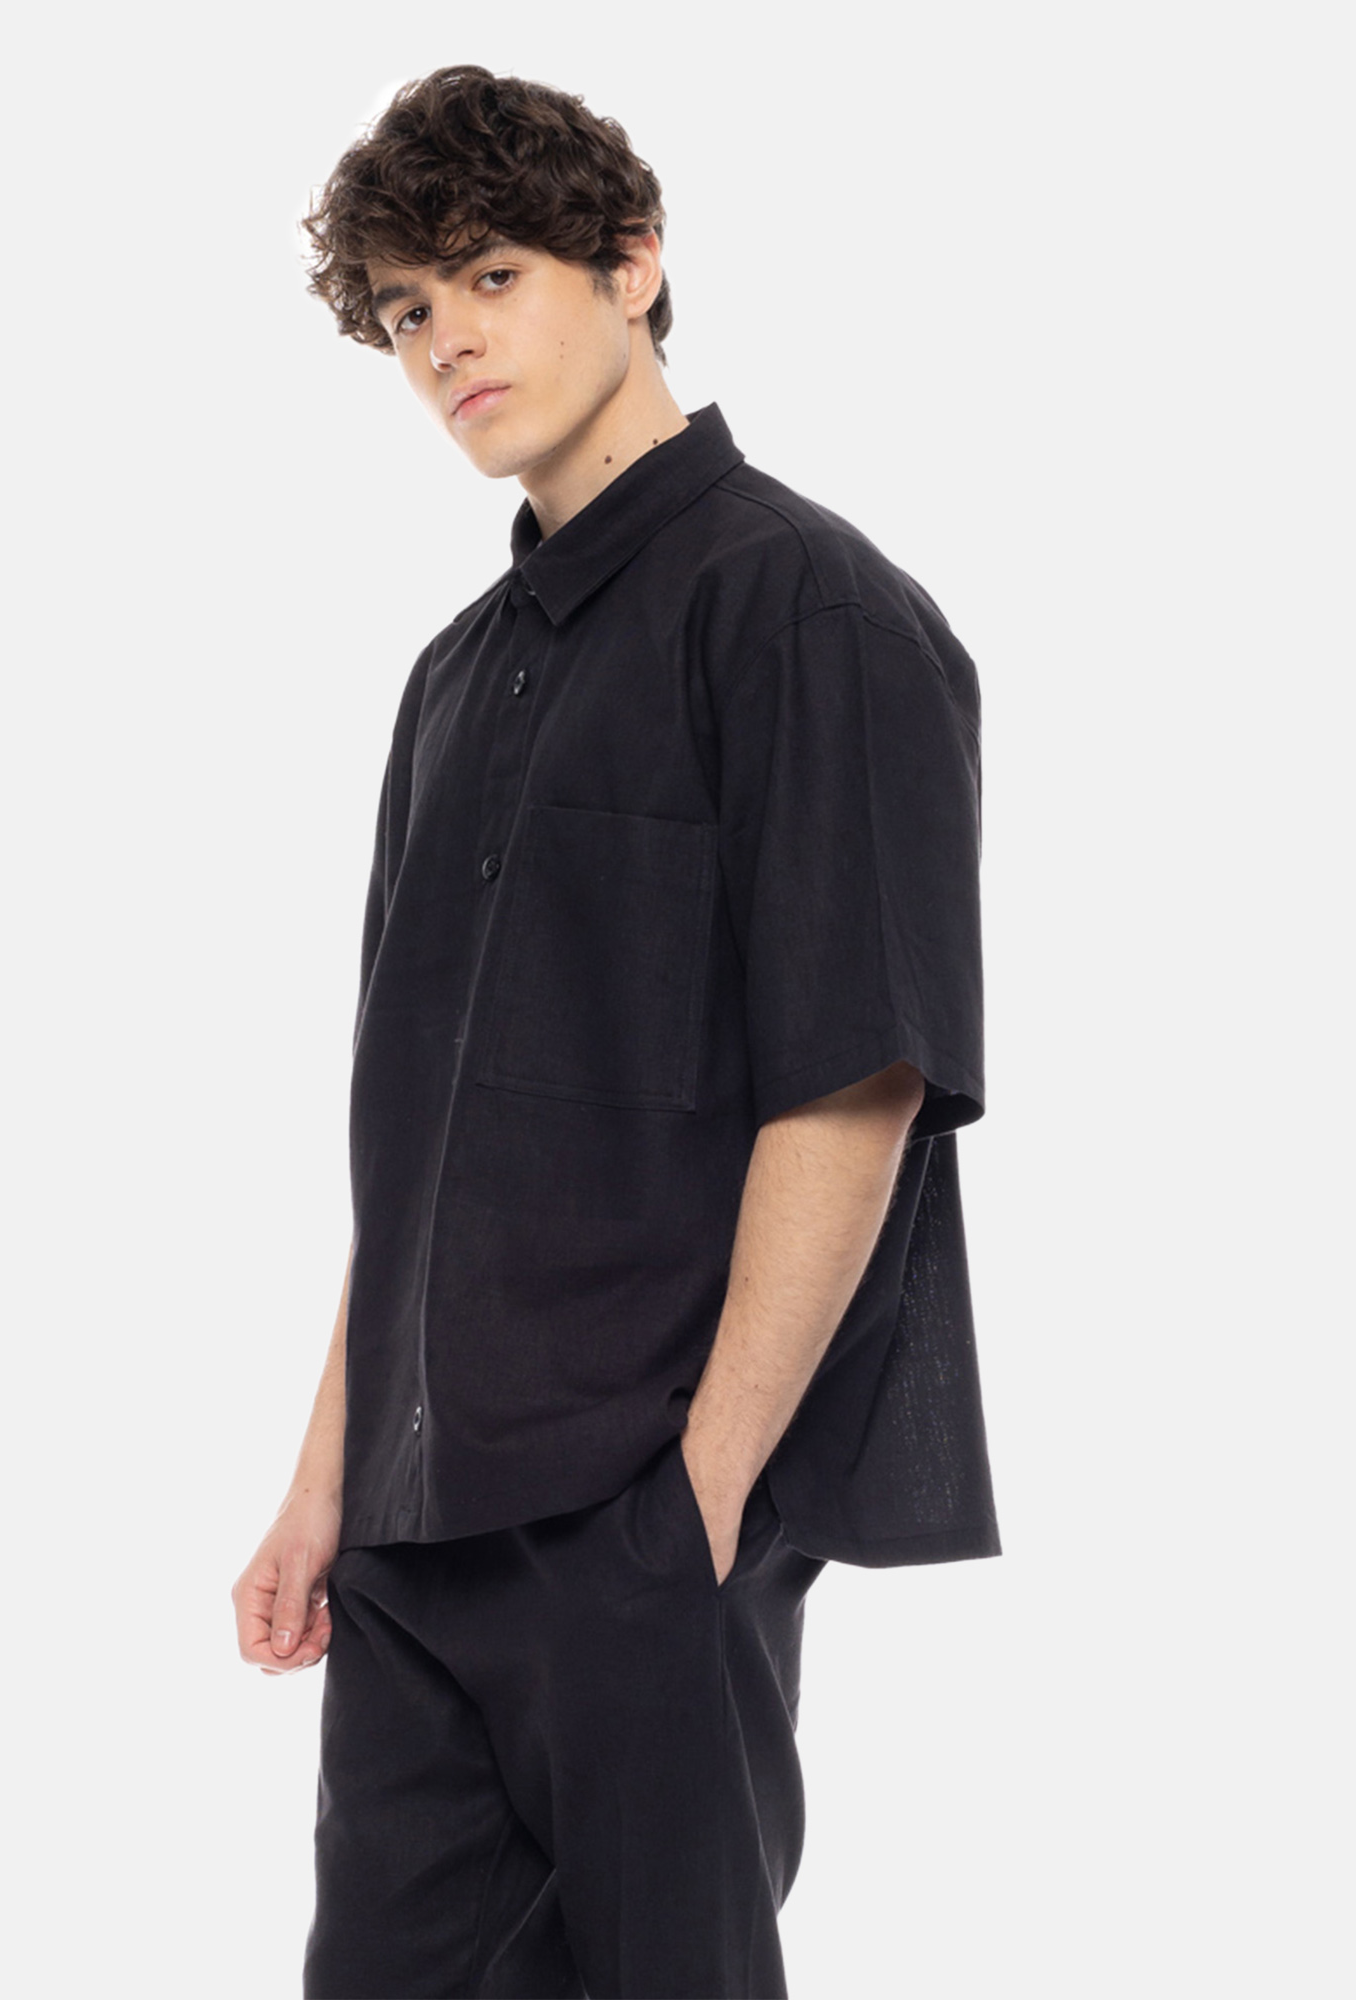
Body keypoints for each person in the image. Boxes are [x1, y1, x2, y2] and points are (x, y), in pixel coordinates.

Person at [232, 62, 1002, 2000]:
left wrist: (701, 1496)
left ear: (632, 265)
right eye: (408, 307)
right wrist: (324, 1485)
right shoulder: (454, 682)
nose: (445, 342)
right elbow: (418, 1144)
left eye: (489, 276)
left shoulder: (807, 610)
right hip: (416, 1527)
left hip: (637, 1509)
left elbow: (855, 1080)